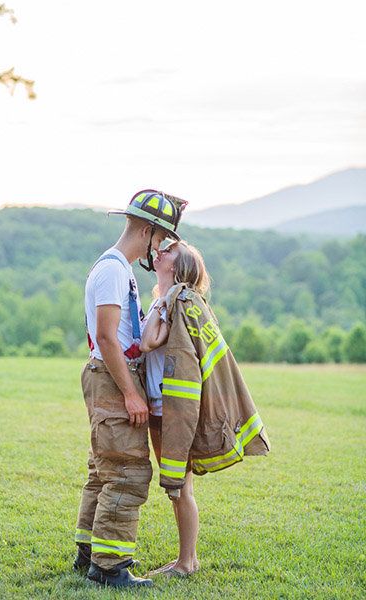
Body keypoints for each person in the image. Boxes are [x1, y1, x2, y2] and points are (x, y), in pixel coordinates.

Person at [73, 190, 187, 588]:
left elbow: (127, 335)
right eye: (163, 239)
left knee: (103, 469)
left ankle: (88, 551)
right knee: (126, 470)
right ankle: (109, 568)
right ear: (147, 231)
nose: (163, 248)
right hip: (112, 376)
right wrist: (132, 393)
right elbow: (106, 338)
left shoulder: (121, 270)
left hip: (109, 375)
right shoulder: (112, 271)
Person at [140, 240, 270, 577]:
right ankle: (187, 558)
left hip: (172, 410)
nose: (160, 251)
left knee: (180, 487)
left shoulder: (180, 302)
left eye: (168, 251)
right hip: (160, 407)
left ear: (179, 267)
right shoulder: (169, 299)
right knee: (179, 488)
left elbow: (149, 341)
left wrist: (164, 300)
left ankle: (186, 562)